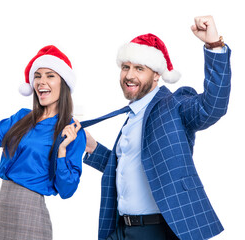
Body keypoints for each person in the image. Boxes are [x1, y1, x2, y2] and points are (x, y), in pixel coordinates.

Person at [84, 16, 231, 240]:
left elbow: (213, 107)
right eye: (126, 67)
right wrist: (93, 147)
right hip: (120, 228)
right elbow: (128, 171)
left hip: (156, 231)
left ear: (156, 74)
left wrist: (214, 46)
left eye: (139, 68)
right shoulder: (130, 119)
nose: (129, 75)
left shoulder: (175, 105)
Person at [0, 45, 86, 240]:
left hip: (31, 211)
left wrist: (62, 152)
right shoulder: (22, 118)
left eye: (50, 75)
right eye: (38, 76)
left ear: (63, 82)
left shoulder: (71, 130)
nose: (41, 82)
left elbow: (67, 190)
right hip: (4, 205)